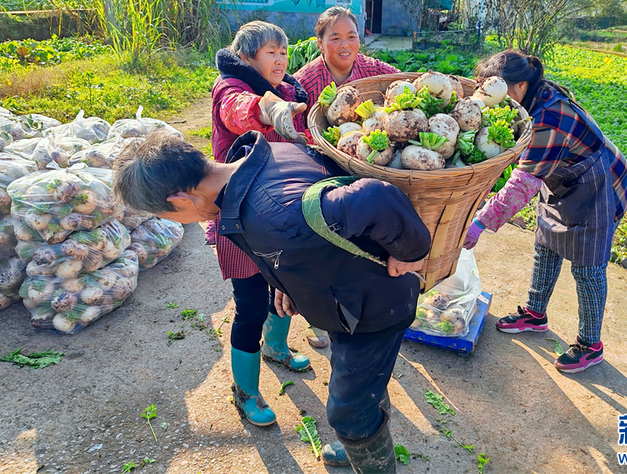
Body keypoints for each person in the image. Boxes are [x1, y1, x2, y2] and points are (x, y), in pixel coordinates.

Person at [113, 130, 431, 473]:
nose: (172, 221)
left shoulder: (273, 212)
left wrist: (411, 252)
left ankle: (362, 440)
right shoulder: (263, 158)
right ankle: (360, 437)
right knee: (359, 380)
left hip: (375, 310)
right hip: (346, 300)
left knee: (348, 412)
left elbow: (375, 198)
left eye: (165, 215)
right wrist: (288, 278)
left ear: (179, 200)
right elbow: (314, 230)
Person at [463, 50, 627, 374]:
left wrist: (482, 221)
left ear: (518, 86)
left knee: (588, 268)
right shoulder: (522, 104)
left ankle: (590, 344)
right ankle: (535, 314)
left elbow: (523, 183)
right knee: (545, 246)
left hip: (597, 183)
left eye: (493, 88)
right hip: (560, 178)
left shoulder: (548, 116)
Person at [204, 21, 313, 427]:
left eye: (284, 52)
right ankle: (245, 392)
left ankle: (277, 347)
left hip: (281, 216)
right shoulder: (230, 89)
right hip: (241, 222)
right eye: (271, 52)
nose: (281, 59)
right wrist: (269, 110)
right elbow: (242, 111)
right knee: (249, 307)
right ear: (248, 57)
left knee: (287, 287)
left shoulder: (292, 92)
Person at [294, 5, 399, 349]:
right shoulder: (305, 81)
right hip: (319, 171)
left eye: (351, 36)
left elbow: (403, 86)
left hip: (364, 170)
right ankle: (318, 319)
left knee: (357, 245)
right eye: (335, 37)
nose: (345, 44)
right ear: (320, 42)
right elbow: (292, 132)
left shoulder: (371, 70)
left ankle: (358, 310)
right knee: (320, 247)